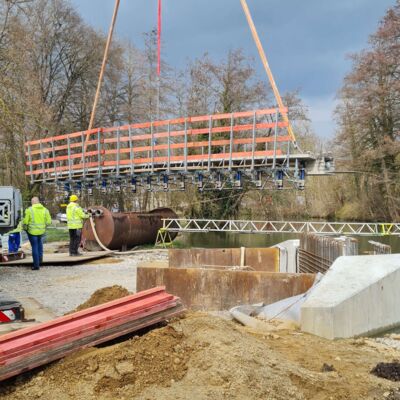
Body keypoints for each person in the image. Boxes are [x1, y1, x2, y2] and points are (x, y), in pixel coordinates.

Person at [23, 197, 51, 270]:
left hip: (32, 232)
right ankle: (40, 261)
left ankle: (36, 265)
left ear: (32, 202)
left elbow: (25, 222)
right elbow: (49, 222)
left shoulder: (29, 210)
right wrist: (43, 226)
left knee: (34, 247)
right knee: (40, 245)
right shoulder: (45, 210)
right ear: (38, 202)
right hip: (41, 231)